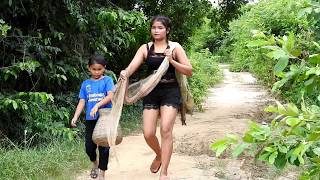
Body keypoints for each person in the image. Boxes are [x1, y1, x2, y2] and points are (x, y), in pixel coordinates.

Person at [120, 15, 192, 180]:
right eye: (154, 28)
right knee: (148, 133)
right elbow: (131, 67)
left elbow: (189, 70)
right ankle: (159, 154)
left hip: (170, 91)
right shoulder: (145, 48)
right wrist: (125, 73)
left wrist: (172, 61)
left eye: (160, 28)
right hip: (151, 91)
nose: (156, 30)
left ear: (167, 30)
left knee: (166, 130)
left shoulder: (175, 48)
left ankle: (164, 173)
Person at [71, 55, 115, 180]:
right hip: (90, 120)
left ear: (104, 68)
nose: (97, 72)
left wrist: (97, 105)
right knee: (89, 147)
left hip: (105, 118)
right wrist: (75, 117)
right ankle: (94, 162)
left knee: (104, 147)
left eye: (99, 69)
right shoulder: (86, 84)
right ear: (89, 68)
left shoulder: (107, 80)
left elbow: (110, 96)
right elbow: (82, 101)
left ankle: (102, 172)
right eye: (94, 69)